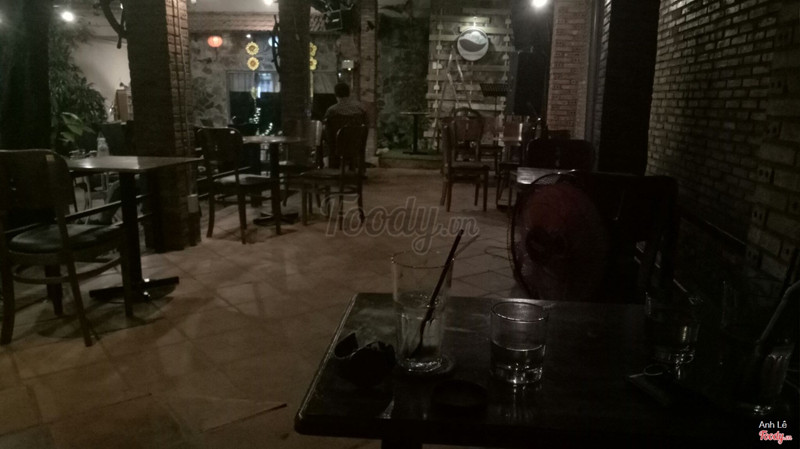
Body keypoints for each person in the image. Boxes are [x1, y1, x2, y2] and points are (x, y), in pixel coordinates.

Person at [323, 82, 367, 168]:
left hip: (337, 143)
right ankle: (354, 165)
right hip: (356, 142)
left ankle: (332, 165)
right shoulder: (360, 109)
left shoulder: (332, 110)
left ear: (336, 94)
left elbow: (326, 126)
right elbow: (366, 124)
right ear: (349, 93)